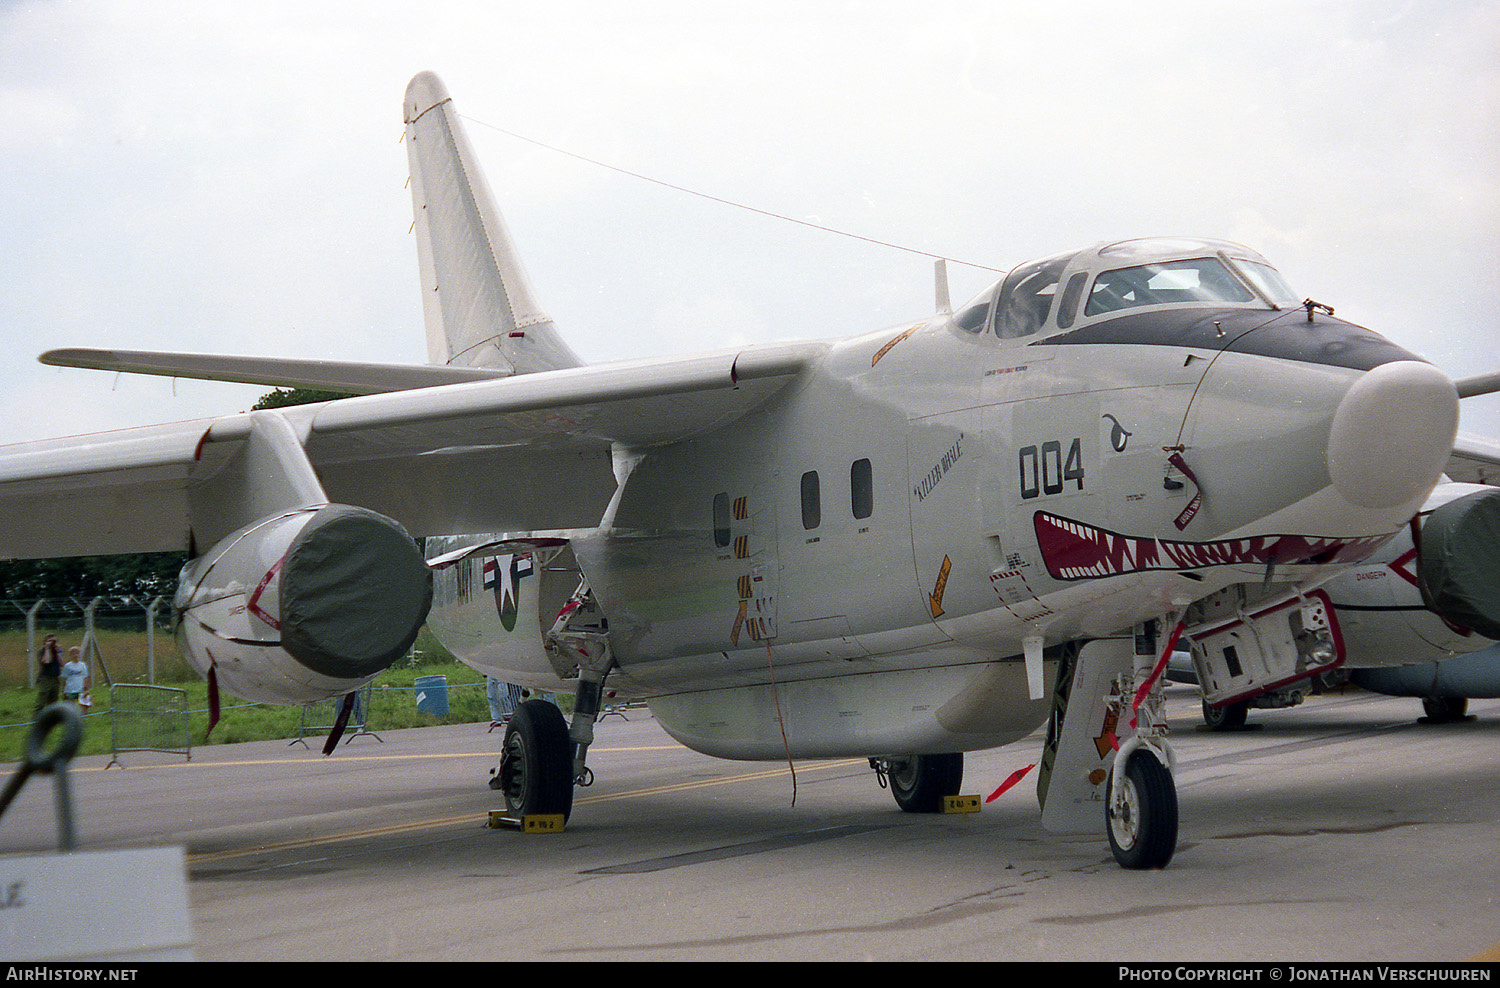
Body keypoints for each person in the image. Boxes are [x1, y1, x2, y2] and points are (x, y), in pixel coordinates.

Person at [33, 635, 62, 717]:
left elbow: (62, 664)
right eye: (50, 641)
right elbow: (46, 661)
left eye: (54, 641)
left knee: (53, 702)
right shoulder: (42, 651)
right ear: (45, 642)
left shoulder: (56, 652)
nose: (52, 643)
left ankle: (50, 720)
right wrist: (47, 649)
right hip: (45, 678)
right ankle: (36, 719)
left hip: (55, 679)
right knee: (41, 702)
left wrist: (58, 651)